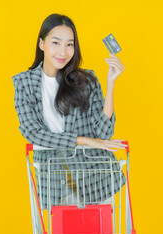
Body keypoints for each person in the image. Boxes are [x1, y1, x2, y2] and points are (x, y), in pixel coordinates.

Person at [12, 13, 127, 210]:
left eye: (69, 44)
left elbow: (103, 133)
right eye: (56, 43)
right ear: (42, 44)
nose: (63, 52)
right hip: (54, 180)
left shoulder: (87, 80)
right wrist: (82, 140)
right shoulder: (24, 83)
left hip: (95, 177)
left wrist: (111, 83)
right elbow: (32, 133)